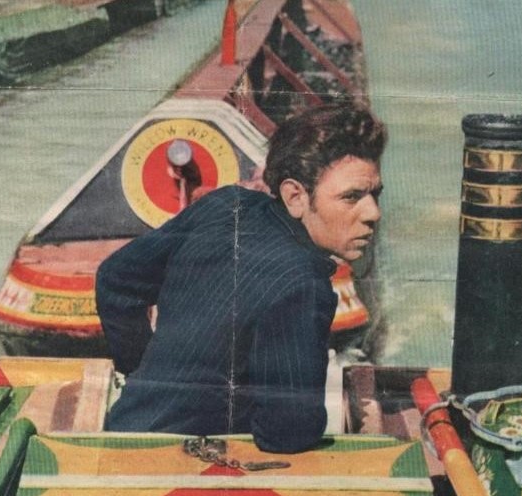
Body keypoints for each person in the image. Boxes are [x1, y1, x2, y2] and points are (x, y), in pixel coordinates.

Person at [96, 102, 387, 453]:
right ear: (295, 196)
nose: (373, 213)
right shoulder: (304, 285)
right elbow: (287, 434)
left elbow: (115, 280)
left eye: (375, 194)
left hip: (121, 430)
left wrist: (146, 375)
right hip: (175, 469)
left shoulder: (226, 204)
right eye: (352, 197)